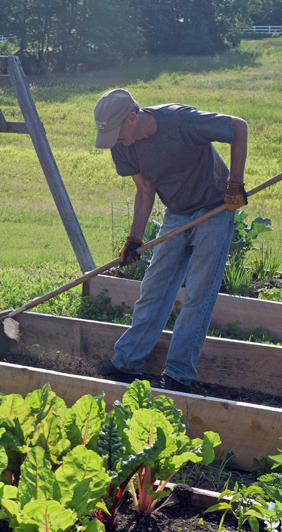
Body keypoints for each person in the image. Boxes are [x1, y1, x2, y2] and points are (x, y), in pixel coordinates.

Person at [93, 88, 248, 393]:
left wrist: (236, 184)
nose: (117, 143)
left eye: (118, 133)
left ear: (133, 119)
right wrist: (135, 238)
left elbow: (238, 127)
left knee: (197, 297)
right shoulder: (122, 144)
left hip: (215, 209)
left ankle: (177, 376)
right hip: (176, 213)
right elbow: (145, 189)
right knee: (155, 290)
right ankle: (126, 364)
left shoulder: (180, 121)